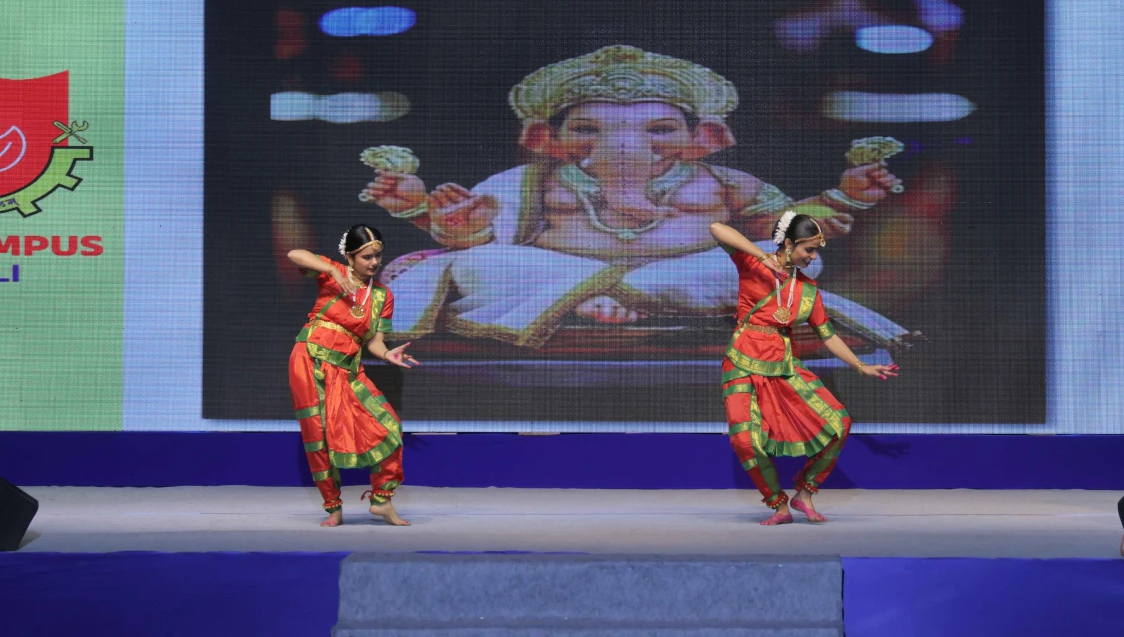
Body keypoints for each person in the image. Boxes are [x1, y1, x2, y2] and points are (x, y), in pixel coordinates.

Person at [362, 45, 909, 354]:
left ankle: (620, 299)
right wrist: (447, 219)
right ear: (546, 140)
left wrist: (845, 198)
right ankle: (583, 298)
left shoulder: (721, 182)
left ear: (704, 138)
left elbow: (782, 228)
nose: (625, 146)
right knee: (481, 263)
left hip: (681, 276)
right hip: (558, 274)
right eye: (588, 129)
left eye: (660, 130)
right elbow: (482, 243)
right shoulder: (532, 180)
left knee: (773, 260)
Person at [709, 212, 898, 526]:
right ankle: (778, 505)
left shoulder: (808, 290)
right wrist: (763, 257)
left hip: (784, 365)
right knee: (745, 442)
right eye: (808, 249)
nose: (813, 257)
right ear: (789, 244)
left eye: (815, 250)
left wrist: (861, 366)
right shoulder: (752, 265)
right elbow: (716, 228)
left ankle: (805, 494)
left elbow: (828, 336)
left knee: (838, 423)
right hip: (742, 363)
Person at [286, 224, 418, 526]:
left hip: (347, 367)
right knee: (318, 435)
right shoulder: (332, 273)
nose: (374, 263)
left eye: (377, 256)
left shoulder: (383, 296)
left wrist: (387, 354)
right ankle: (333, 507)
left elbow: (375, 343)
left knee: (389, 426)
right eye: (366, 257)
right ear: (349, 256)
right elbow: (294, 254)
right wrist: (332, 271)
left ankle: (382, 501)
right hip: (309, 359)